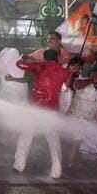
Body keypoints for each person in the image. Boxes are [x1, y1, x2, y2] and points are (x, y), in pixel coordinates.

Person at [13, 49, 70, 179]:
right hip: (52, 109)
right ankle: (57, 171)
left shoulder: (41, 66)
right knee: (54, 140)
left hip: (36, 108)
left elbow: (19, 64)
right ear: (57, 59)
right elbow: (66, 87)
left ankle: (19, 165)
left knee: (26, 136)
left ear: (44, 58)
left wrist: (24, 57)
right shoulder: (64, 71)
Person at [0, 47, 28, 146]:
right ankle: (13, 139)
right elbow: (26, 79)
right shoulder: (20, 62)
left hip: (12, 92)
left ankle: (9, 139)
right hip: (17, 91)